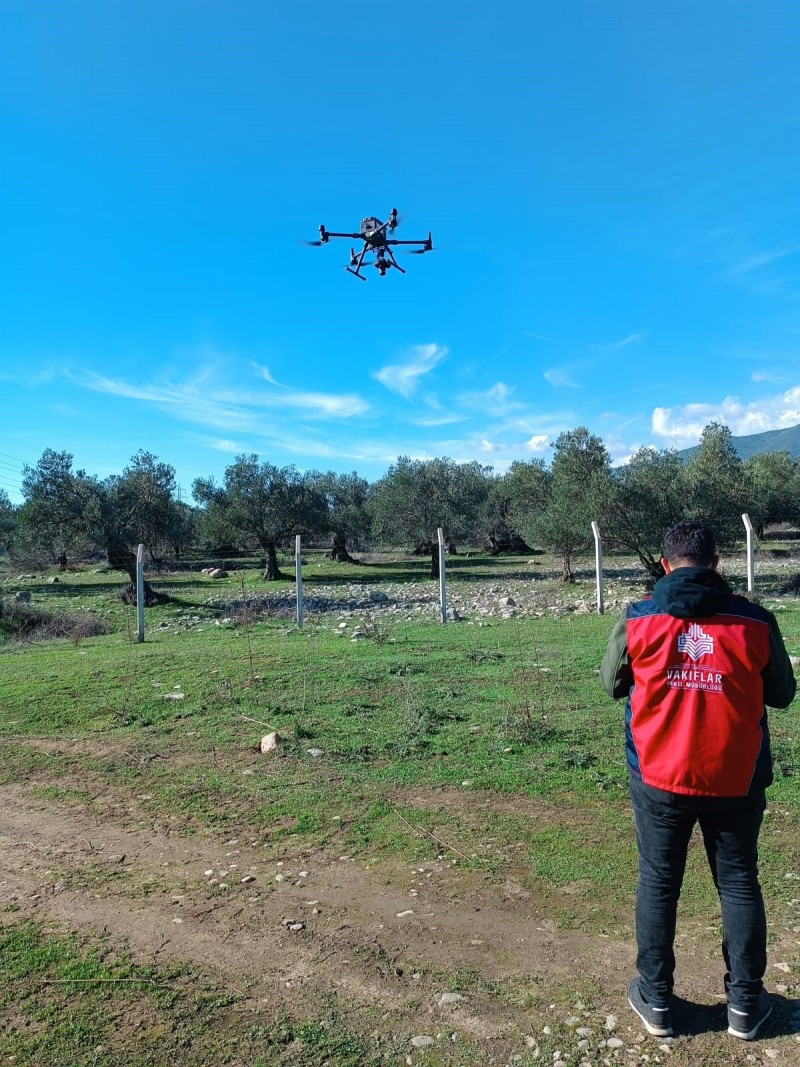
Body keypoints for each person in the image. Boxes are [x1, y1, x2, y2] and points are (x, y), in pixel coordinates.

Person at [601, 520, 796, 1041]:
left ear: (665, 564)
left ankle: (656, 1000)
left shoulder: (638, 617)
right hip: (735, 777)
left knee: (658, 881)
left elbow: (611, 684)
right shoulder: (755, 621)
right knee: (738, 881)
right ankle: (745, 1005)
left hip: (658, 774)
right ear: (715, 562)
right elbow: (782, 694)